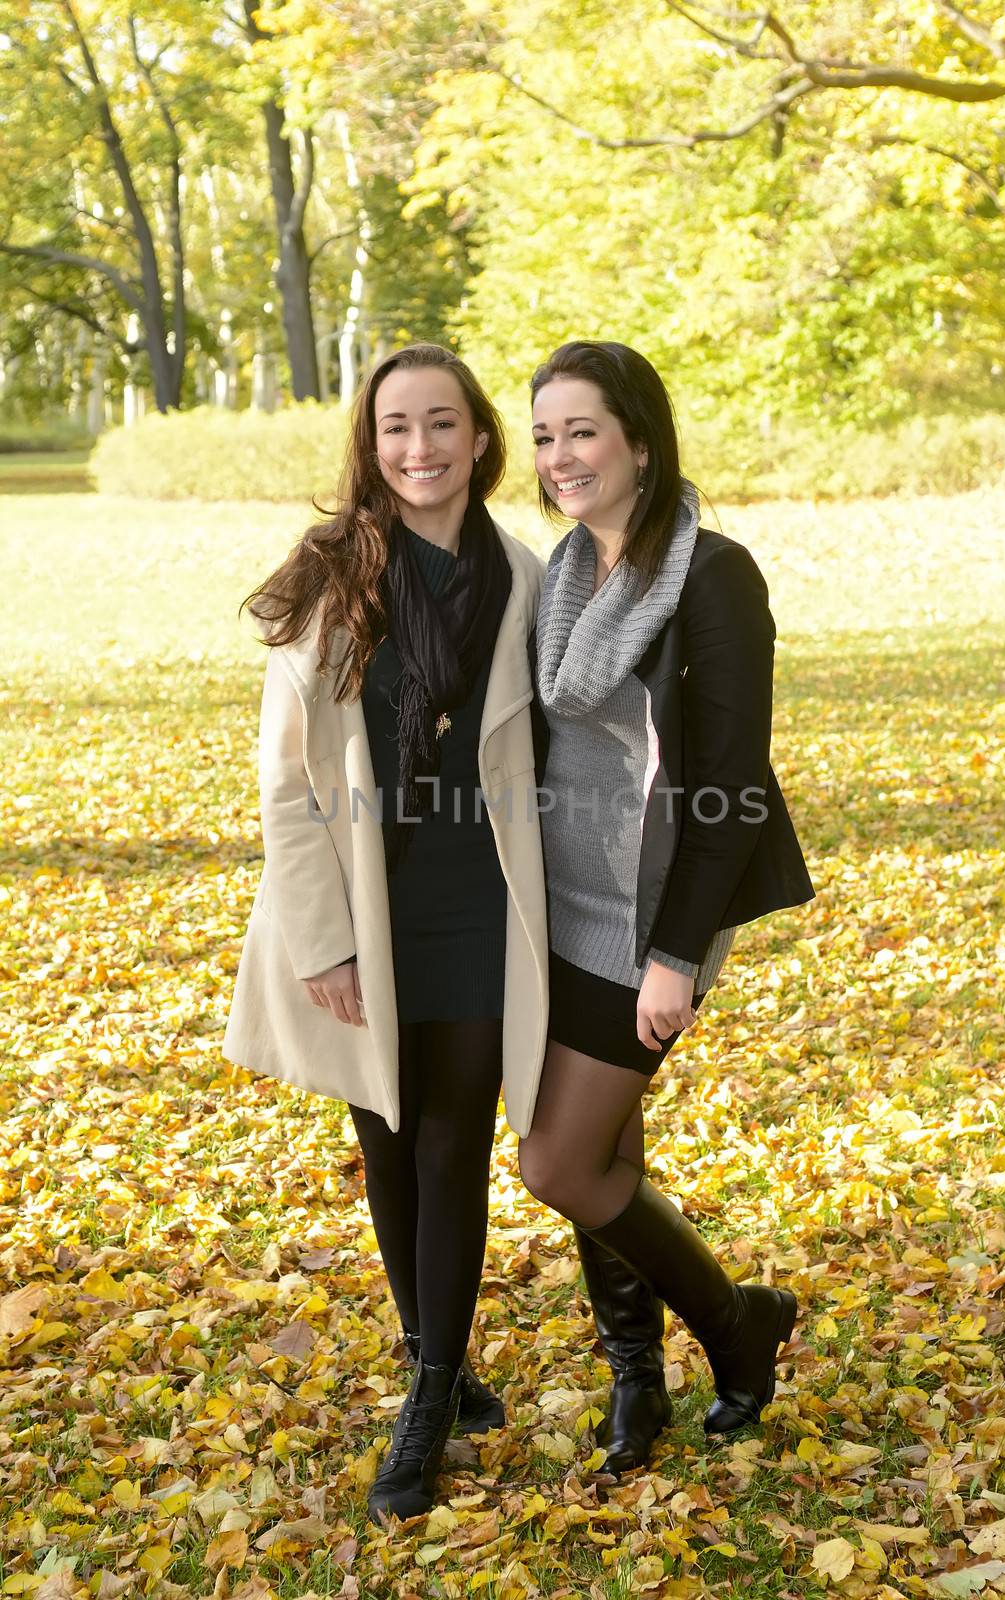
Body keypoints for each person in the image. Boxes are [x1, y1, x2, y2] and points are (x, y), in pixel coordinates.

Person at [222, 344, 548, 1523]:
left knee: (455, 1142)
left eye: (442, 423)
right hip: (364, 900)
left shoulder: (525, 574)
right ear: (371, 442)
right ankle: (443, 1361)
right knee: (389, 1136)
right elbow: (286, 783)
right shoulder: (331, 575)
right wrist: (323, 943)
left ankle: (422, 1403)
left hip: (479, 894)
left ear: (477, 439)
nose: (420, 447)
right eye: (397, 426)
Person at [518, 340, 816, 1477]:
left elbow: (732, 781)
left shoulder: (712, 574)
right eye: (544, 435)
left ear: (639, 440)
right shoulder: (559, 575)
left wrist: (675, 953)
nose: (559, 456)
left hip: (649, 918)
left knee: (557, 1162)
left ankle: (735, 1322)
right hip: (558, 904)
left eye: (581, 431)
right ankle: (632, 1382)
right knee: (605, 1148)